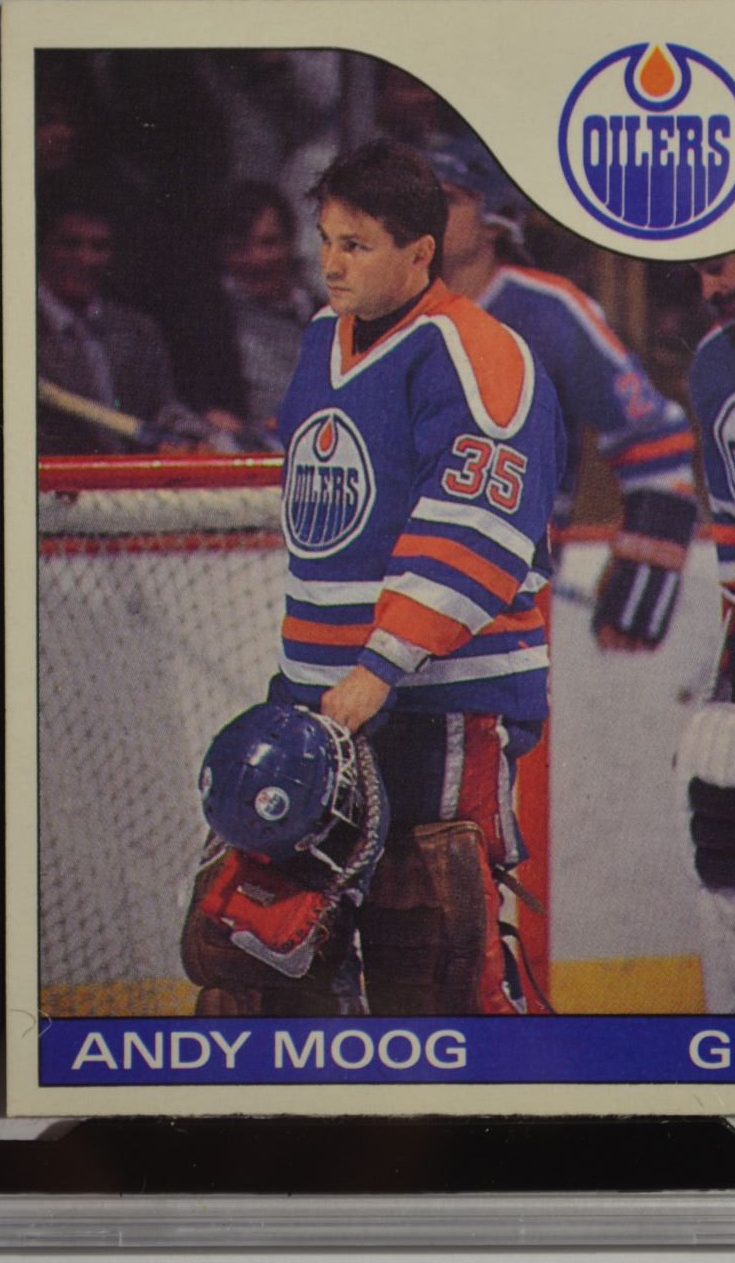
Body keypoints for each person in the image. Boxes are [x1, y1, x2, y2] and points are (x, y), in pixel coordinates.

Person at [187, 139, 566, 1017]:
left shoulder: (477, 352)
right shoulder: (323, 338)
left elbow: (474, 527)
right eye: (326, 240)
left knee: (430, 964)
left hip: (440, 707)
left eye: (355, 245)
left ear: (420, 252)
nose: (329, 263)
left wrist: (379, 666)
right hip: (321, 704)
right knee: (266, 957)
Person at [427, 134, 696, 649]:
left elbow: (656, 441)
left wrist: (646, 568)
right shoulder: (383, 309)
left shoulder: (548, 313)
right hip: (395, 576)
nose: (425, 214)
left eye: (449, 199)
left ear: (496, 216)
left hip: (509, 594)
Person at [677, 247, 735, 1013]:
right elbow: (732, 522)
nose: (712, 288)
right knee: (725, 831)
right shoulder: (714, 364)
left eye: (721, 266)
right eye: (696, 274)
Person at [36, 188, 213, 454]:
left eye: (99, 246)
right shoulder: (17, 333)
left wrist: (198, 436)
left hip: (136, 476)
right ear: (43, 246)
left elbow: (163, 410)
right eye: (70, 244)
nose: (86, 259)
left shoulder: (138, 330)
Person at [216, 182, 319, 437]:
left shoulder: (328, 314)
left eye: (269, 243)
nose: (257, 259)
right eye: (239, 248)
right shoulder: (210, 320)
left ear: (291, 241)